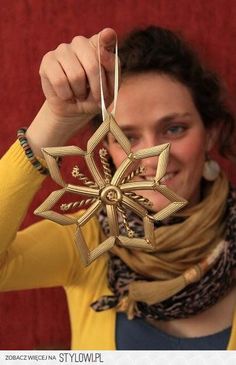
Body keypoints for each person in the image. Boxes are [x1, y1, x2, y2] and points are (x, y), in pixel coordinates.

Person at [0, 26, 236, 350]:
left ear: (210, 133)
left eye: (174, 128)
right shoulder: (86, 240)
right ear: (106, 147)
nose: (153, 157)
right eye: (127, 137)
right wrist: (54, 119)